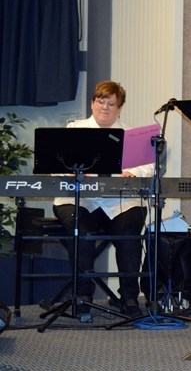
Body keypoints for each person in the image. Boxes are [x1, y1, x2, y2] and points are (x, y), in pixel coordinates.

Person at [53, 80, 154, 319]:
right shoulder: (73, 129)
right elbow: (53, 165)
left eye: (111, 103)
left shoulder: (131, 135)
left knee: (130, 229)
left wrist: (134, 173)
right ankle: (83, 294)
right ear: (92, 103)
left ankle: (129, 296)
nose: (105, 107)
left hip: (117, 203)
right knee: (81, 229)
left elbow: (149, 167)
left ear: (119, 108)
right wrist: (68, 170)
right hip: (80, 201)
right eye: (100, 101)